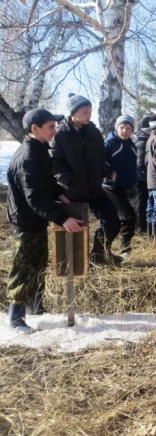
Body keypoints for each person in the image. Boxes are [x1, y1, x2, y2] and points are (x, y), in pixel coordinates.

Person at [6, 109, 83, 334]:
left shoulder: (39, 150)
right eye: (51, 126)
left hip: (36, 221)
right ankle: (16, 318)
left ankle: (35, 309)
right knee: (23, 269)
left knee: (37, 266)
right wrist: (63, 218)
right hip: (26, 223)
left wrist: (58, 192)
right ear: (35, 129)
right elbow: (35, 198)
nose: (55, 130)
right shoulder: (28, 157)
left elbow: (46, 182)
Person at [50, 93, 122, 265]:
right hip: (72, 192)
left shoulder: (94, 133)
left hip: (95, 189)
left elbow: (99, 158)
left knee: (113, 221)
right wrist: (70, 180)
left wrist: (106, 170)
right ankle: (73, 265)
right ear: (72, 113)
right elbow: (54, 164)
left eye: (90, 111)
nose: (89, 115)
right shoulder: (60, 135)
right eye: (85, 111)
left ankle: (98, 255)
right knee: (75, 229)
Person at [103, 115, 137, 258]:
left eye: (128, 128)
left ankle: (104, 250)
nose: (124, 131)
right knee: (129, 216)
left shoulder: (131, 144)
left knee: (114, 220)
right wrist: (111, 173)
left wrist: (133, 182)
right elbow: (99, 160)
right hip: (110, 187)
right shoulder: (110, 143)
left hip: (123, 187)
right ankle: (124, 248)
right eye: (122, 127)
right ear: (116, 128)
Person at [133, 115, 156, 234]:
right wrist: (147, 173)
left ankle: (142, 224)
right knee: (142, 201)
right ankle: (141, 226)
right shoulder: (142, 141)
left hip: (144, 177)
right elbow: (139, 163)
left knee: (145, 201)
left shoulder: (145, 139)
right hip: (141, 178)